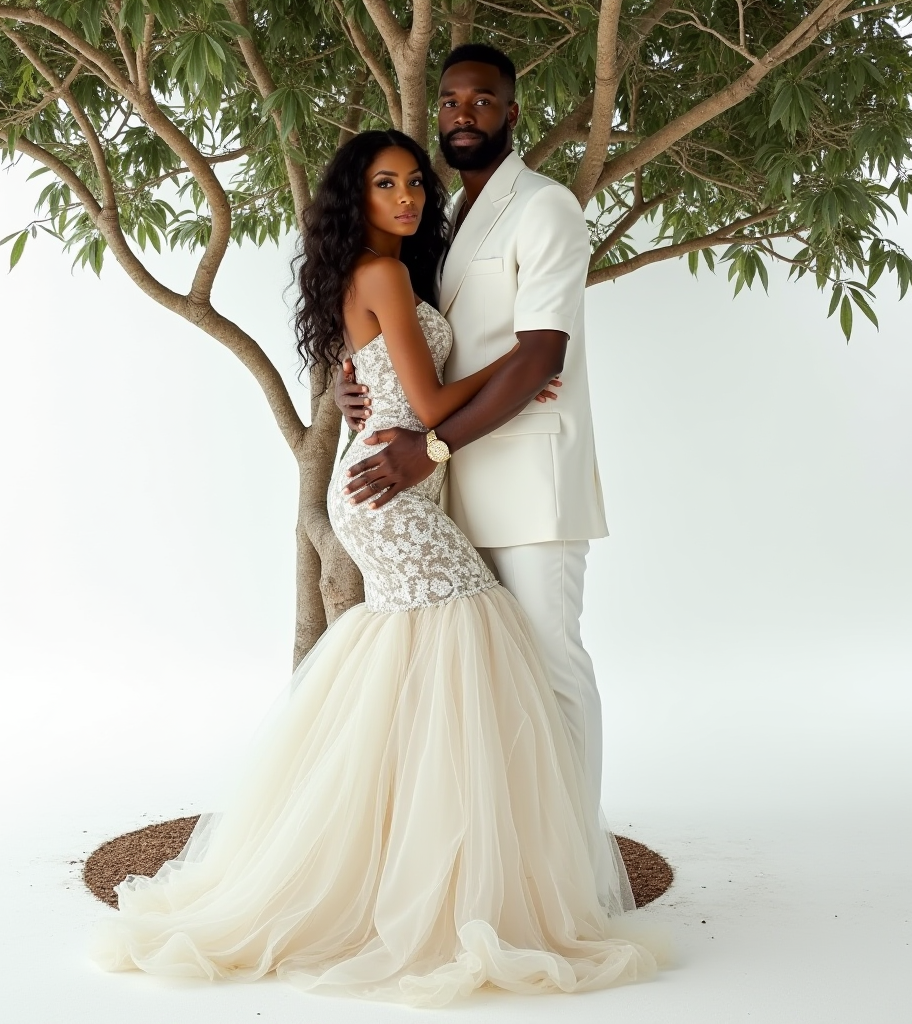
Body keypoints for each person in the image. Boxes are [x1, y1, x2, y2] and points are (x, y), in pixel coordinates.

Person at [90, 127, 655, 1005]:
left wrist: (403, 387)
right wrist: (515, 369)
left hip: (386, 483)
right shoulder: (386, 275)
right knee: (473, 633)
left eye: (415, 185)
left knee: (417, 660)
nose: (407, 198)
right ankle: (440, 863)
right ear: (355, 199)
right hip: (390, 493)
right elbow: (426, 403)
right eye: (385, 185)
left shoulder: (384, 275)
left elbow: (387, 384)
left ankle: (400, 848)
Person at [337, 44, 609, 823]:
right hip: (445, 490)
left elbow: (540, 357)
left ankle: (578, 867)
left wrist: (429, 448)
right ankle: (506, 851)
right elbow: (398, 334)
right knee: (482, 681)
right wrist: (349, 380)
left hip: (526, 484)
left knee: (552, 671)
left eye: (482, 101)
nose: (462, 114)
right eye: (451, 102)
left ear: (511, 114)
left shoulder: (545, 206)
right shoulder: (444, 220)